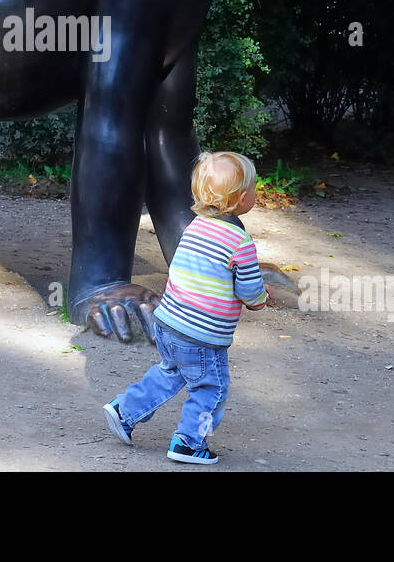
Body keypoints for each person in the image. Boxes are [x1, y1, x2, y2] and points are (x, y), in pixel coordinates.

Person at [102, 150, 274, 464]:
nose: (255, 192)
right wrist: (260, 300)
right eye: (252, 188)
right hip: (201, 335)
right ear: (241, 198)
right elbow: (250, 290)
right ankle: (188, 442)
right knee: (212, 388)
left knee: (171, 373)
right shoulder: (239, 242)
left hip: (169, 321)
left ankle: (124, 410)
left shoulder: (196, 226)